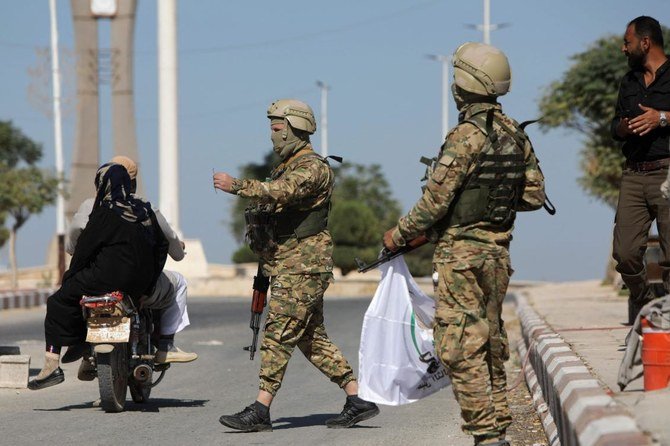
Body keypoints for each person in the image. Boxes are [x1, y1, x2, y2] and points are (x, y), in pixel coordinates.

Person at [382, 43, 546, 446]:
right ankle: (499, 425)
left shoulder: (465, 136)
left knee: (458, 345)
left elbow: (434, 202)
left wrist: (397, 235)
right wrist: (492, 202)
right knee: (489, 339)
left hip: (460, 254)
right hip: (498, 253)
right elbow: (533, 197)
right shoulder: (515, 135)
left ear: (464, 84)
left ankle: (487, 435)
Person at [213, 99, 379, 432]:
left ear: (294, 130)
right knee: (311, 339)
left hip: (303, 265)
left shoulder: (312, 168)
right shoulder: (288, 165)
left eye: (277, 130)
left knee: (278, 333)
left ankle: (260, 409)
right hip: (288, 261)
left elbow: (281, 192)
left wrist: (238, 186)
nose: (273, 137)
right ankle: (357, 398)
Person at [28, 161, 169, 390]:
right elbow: (161, 247)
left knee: (58, 302)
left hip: (105, 278)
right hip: (138, 285)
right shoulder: (144, 211)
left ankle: (52, 364)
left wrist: (69, 279)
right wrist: (149, 284)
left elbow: (83, 250)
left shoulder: (105, 212)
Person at [64, 156, 197, 374]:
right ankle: (165, 345)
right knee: (179, 282)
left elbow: (71, 246)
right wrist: (178, 249)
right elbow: (174, 250)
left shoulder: (89, 207)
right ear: (131, 183)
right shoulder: (145, 208)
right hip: (138, 285)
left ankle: (86, 349)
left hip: (96, 282)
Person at [612, 16, 670, 325]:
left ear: (645, 43)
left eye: (628, 42)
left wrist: (660, 118)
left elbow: (662, 118)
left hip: (667, 173)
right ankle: (648, 306)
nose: (624, 48)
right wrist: (622, 127)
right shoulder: (629, 81)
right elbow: (614, 126)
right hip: (634, 173)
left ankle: (668, 325)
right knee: (625, 253)